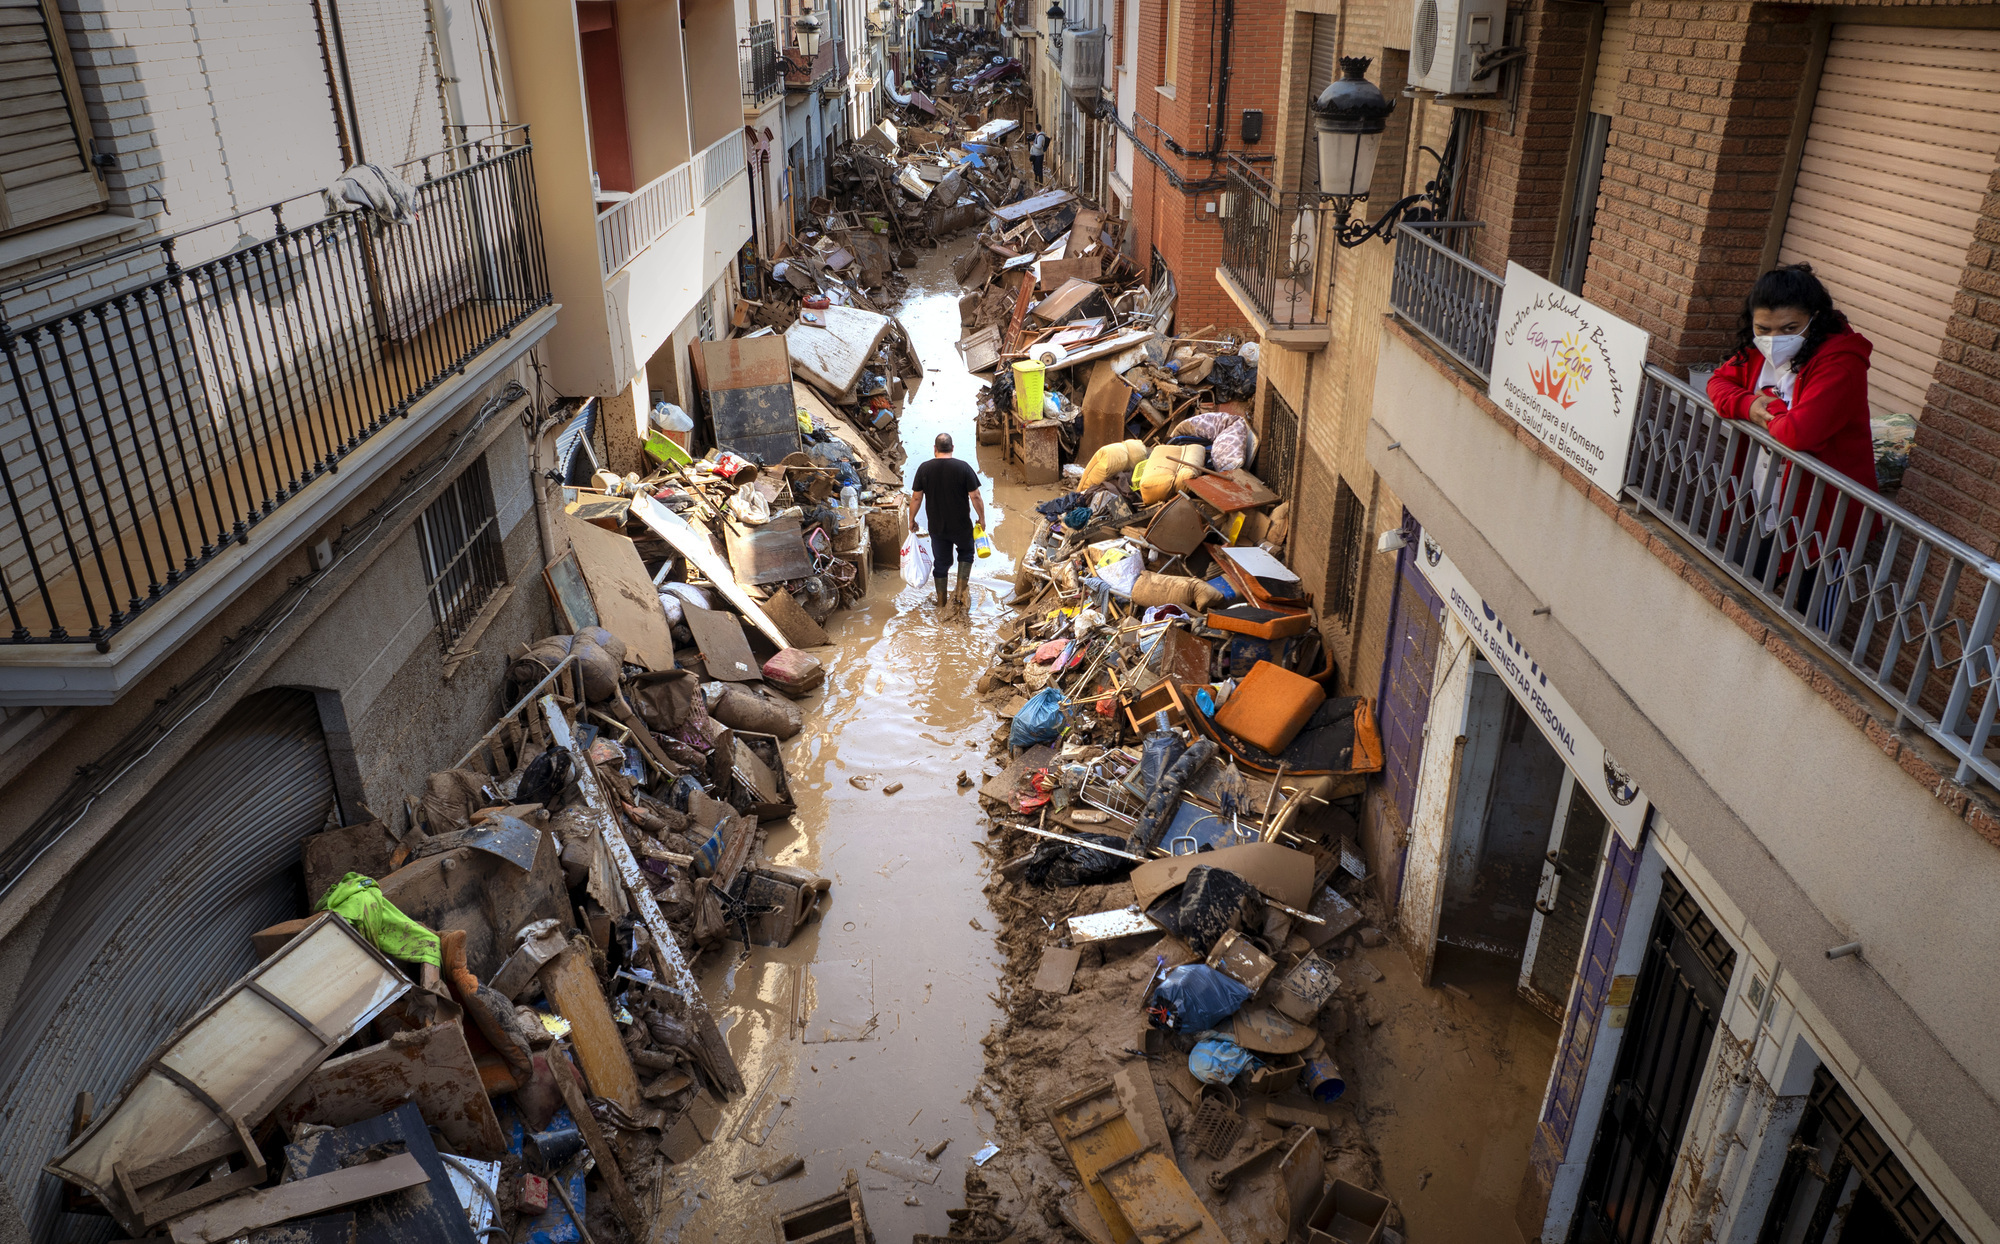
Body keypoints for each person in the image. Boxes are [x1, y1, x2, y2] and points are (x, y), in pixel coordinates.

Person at [1707, 263, 1877, 623]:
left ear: (1815, 319)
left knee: (1813, 624)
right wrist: (1748, 405)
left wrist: (1767, 408)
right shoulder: (1758, 352)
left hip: (1826, 516)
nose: (1774, 339)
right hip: (1774, 504)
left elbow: (1799, 432)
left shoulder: (1841, 361)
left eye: (1789, 328)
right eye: (1763, 328)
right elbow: (1718, 382)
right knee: (1736, 593)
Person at [909, 432, 985, 611]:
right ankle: (960, 595)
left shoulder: (924, 469)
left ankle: (941, 602)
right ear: (952, 448)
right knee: (966, 554)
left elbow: (916, 498)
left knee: (941, 563)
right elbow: (975, 495)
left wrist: (911, 519)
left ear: (935, 449)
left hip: (937, 526)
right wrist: (981, 518)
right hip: (961, 525)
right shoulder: (963, 467)